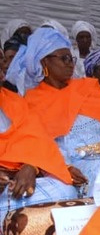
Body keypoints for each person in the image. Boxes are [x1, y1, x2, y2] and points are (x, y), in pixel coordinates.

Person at [7, 28, 100, 187]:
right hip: (72, 165)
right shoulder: (32, 100)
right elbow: (40, 144)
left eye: (71, 59)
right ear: (45, 62)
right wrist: (66, 167)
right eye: (64, 58)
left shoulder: (87, 87)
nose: (70, 64)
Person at [0, 87, 82, 225]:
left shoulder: (14, 101)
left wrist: (31, 166)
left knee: (66, 193)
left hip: (16, 180)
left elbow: (36, 140)